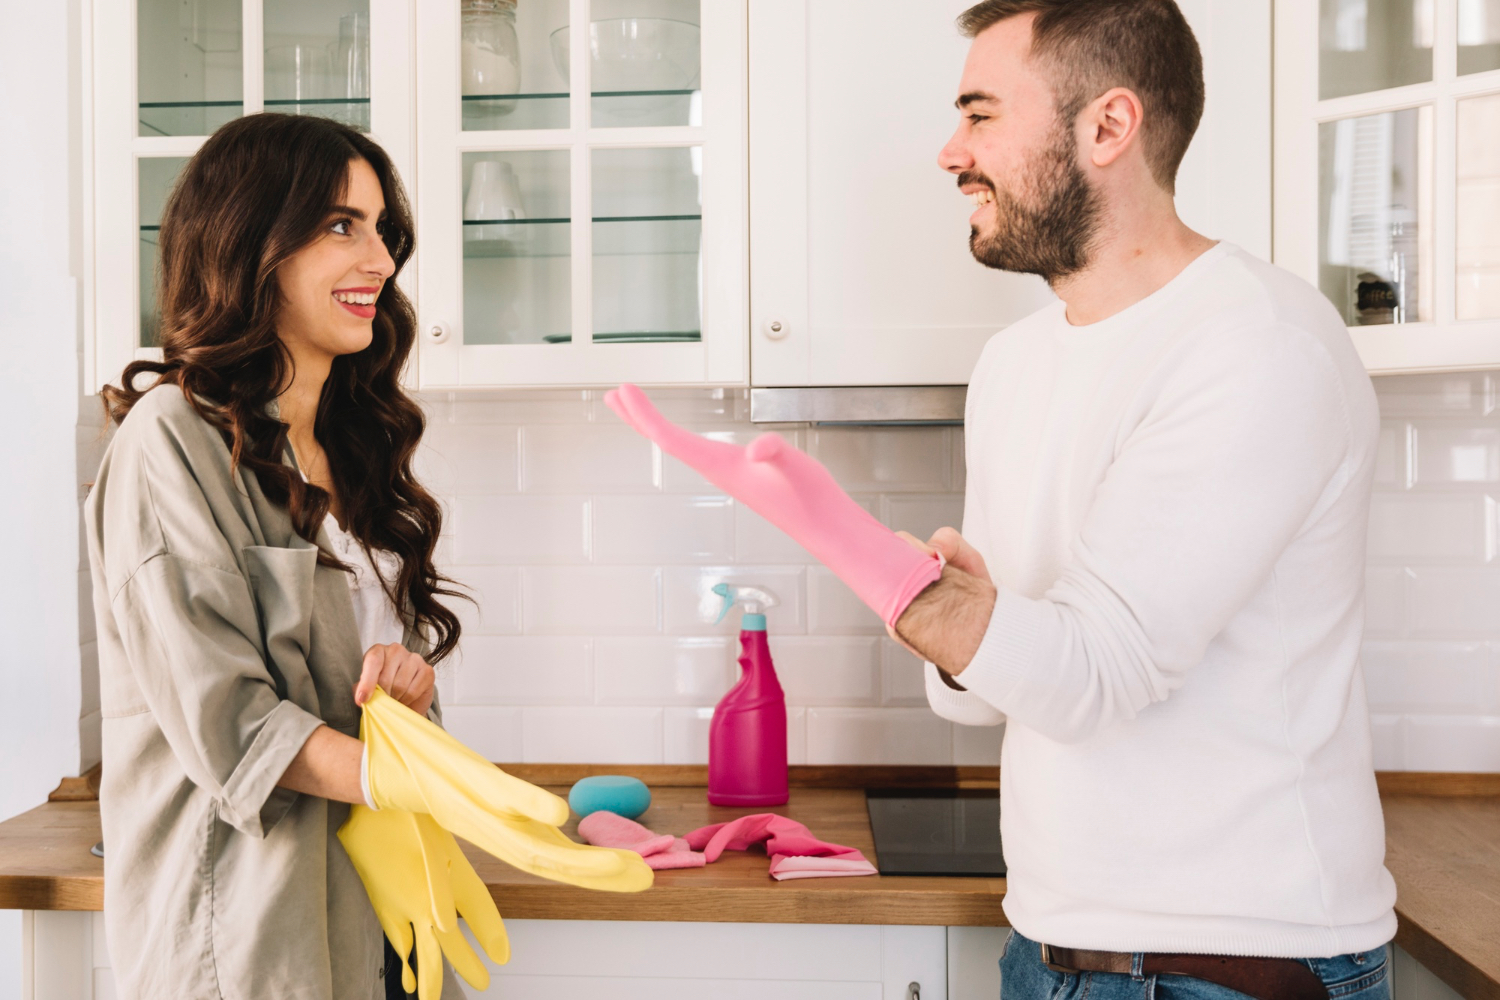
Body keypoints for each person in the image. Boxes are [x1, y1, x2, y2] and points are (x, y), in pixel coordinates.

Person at [887, 2, 1397, 997]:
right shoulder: (1012, 364)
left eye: (981, 114)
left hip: (1232, 965)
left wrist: (920, 599)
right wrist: (951, 626)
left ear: (1108, 127)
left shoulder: (1257, 345)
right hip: (1049, 947)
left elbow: (1098, 669)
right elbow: (992, 692)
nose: (952, 151)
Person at [85, 113, 471, 1000]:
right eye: (343, 226)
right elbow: (233, 722)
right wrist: (431, 782)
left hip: (380, 917)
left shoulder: (350, 447)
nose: (380, 261)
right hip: (250, 939)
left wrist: (406, 696)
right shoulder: (169, 444)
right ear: (251, 243)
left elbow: (356, 689)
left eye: (382, 230)